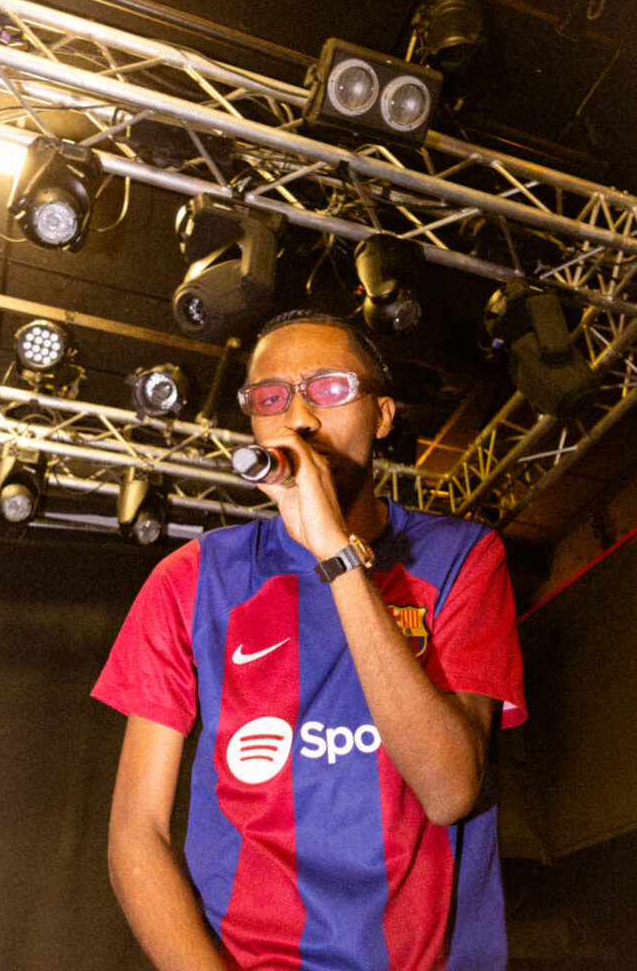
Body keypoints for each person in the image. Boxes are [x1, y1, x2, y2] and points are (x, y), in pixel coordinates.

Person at [92, 310, 526, 971]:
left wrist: (337, 558)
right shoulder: (192, 579)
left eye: (327, 389)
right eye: (270, 398)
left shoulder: (462, 557)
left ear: (382, 415)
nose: (297, 416)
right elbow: (136, 830)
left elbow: (449, 791)